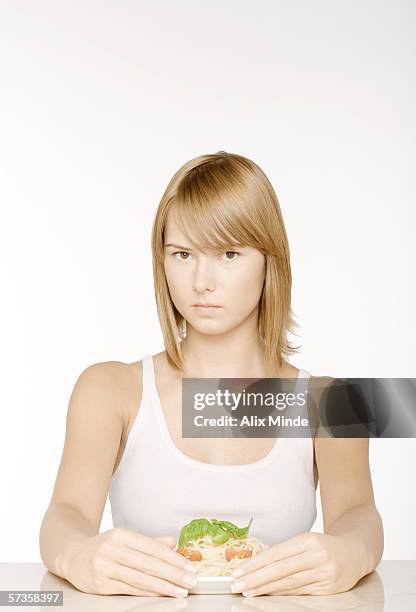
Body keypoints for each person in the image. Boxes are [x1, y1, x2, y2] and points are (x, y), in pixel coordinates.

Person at [39, 150, 384, 598]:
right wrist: (78, 555)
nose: (202, 281)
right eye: (182, 253)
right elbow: (64, 516)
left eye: (228, 253)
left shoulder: (334, 402)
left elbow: (360, 515)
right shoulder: (108, 390)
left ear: (269, 259)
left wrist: (351, 552)